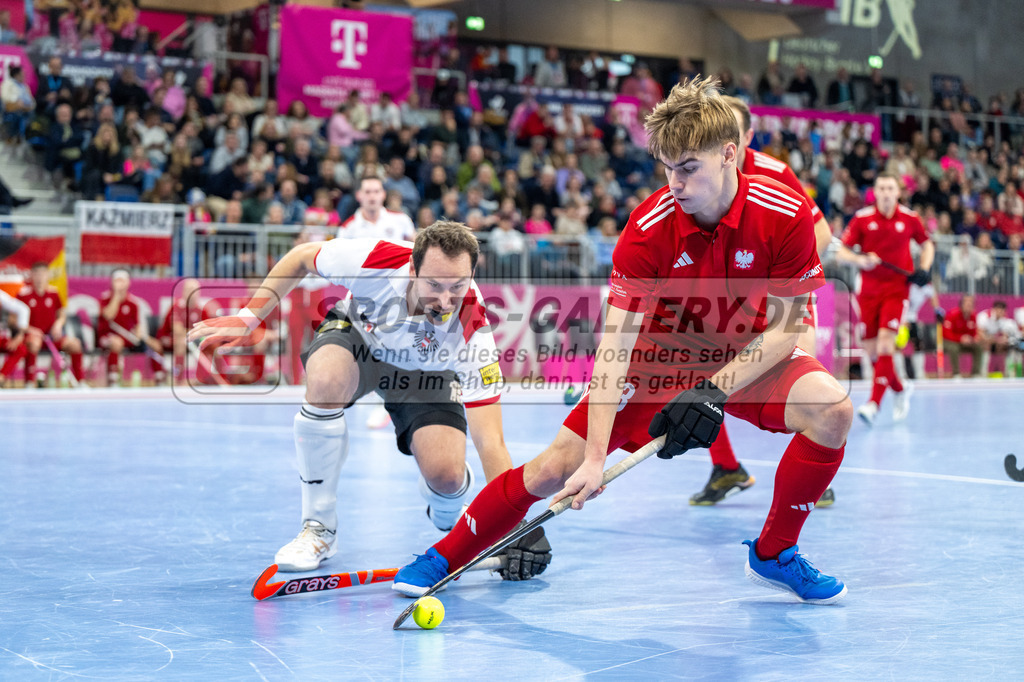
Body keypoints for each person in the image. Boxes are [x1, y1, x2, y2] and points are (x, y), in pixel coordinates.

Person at [393, 77, 852, 604]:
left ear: (730, 154)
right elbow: (613, 354)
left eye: (688, 168)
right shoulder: (647, 228)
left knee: (832, 410)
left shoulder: (786, 211)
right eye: (666, 167)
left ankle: (775, 552)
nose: (674, 183)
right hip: (658, 356)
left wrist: (713, 389)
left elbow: (792, 327)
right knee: (552, 468)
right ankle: (445, 555)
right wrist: (592, 461)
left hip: (749, 353)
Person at [189, 222, 547, 576]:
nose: (444, 299)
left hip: (427, 373)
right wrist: (250, 317)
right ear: (412, 268)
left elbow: (490, 441)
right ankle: (318, 529)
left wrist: (511, 523)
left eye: (457, 286)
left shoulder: (474, 328)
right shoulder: (374, 259)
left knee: (447, 478)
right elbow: (300, 257)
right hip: (360, 340)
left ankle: (449, 505)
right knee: (326, 378)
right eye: (433, 285)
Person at [689, 96, 835, 506]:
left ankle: (815, 471)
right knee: (701, 372)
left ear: (745, 138)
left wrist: (780, 283)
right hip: (732, 301)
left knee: (802, 374)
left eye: (730, 131)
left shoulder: (775, 173)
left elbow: (820, 232)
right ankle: (726, 467)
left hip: (781, 292)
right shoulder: (701, 179)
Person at [836, 173, 934, 425]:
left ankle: (874, 404)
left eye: (891, 188)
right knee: (872, 352)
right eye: (882, 188)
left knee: (885, 344)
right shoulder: (862, 219)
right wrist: (860, 259)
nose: (886, 192)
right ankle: (900, 389)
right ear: (875, 193)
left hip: (897, 290)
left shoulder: (910, 218)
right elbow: (841, 252)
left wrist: (924, 268)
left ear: (897, 192)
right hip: (867, 291)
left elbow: (927, 245)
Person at [17, 262, 84, 387]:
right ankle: (29, 383)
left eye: (43, 273)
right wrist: (31, 330)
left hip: (52, 337)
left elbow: (62, 315)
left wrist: (58, 324)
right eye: (37, 273)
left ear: (48, 275)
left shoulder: (54, 293)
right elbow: (13, 320)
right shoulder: (23, 294)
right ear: (31, 275)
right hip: (32, 337)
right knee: (33, 343)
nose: (40, 277)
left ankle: (80, 382)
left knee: (75, 344)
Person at [97, 270, 149, 386]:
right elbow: (108, 315)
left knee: (154, 344)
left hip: (126, 337)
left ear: (128, 283)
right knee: (116, 343)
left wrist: (139, 335)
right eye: (117, 280)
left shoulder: (133, 303)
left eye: (122, 280)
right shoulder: (105, 299)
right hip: (106, 337)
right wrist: (116, 295)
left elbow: (137, 325)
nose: (120, 283)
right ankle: (113, 379)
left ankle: (159, 379)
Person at [337, 176, 415, 242]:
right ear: (358, 195)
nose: (372, 196)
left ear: (383, 194)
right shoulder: (347, 228)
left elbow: (416, 249)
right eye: (367, 192)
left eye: (376, 191)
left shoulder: (401, 219)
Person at [942, 295, 983, 378]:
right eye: (967, 303)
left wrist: (973, 338)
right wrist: (960, 338)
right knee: (953, 348)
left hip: (965, 343)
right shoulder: (952, 314)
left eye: (971, 303)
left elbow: (974, 332)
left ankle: (976, 373)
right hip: (949, 341)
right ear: (961, 305)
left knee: (978, 347)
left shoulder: (973, 316)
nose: (969, 305)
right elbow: (946, 333)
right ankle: (956, 374)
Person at [977, 300, 1019, 377]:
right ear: (994, 309)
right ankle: (983, 372)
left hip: (998, 342)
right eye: (998, 310)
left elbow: (1007, 335)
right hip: (986, 341)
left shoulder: (1006, 320)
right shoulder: (984, 316)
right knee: (985, 344)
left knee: (1010, 346)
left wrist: (1004, 340)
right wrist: (994, 340)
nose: (1000, 313)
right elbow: (980, 333)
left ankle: (1009, 373)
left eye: (1002, 311)